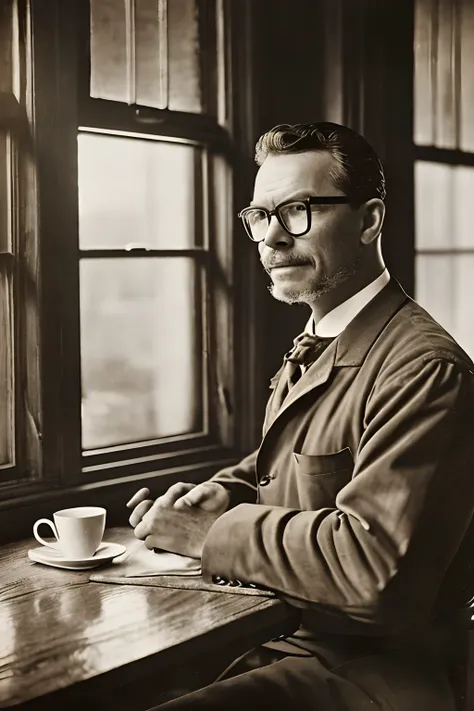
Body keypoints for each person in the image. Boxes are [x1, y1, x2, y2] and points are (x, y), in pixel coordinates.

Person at [127, 122, 474, 710]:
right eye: (261, 216)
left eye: (297, 211)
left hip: (378, 672)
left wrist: (211, 533)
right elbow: (317, 459)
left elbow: (374, 569)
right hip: (282, 639)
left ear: (369, 222)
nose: (272, 239)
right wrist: (224, 491)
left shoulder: (425, 369)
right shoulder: (322, 337)